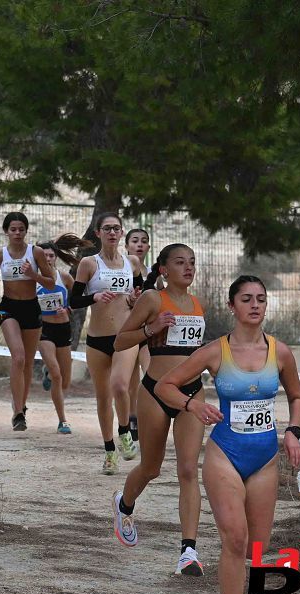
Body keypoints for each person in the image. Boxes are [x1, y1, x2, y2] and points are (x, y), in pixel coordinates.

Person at [152, 275, 300, 594]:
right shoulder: (215, 351)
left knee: (257, 545)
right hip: (225, 455)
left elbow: (297, 396)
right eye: (247, 299)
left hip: (265, 458)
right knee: (234, 539)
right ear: (233, 306)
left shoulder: (280, 352)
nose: (255, 305)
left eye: (261, 299)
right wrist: (192, 405)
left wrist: (293, 430)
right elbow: (164, 385)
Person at [110, 244, 207, 575]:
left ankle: (188, 552)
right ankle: (124, 505)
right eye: (180, 262)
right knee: (151, 468)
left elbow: (196, 353)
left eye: (192, 262)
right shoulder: (153, 299)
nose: (188, 267)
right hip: (154, 391)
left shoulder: (197, 305)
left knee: (189, 471)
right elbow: (120, 341)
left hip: (192, 392)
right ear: (164, 269)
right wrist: (151, 329)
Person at [69, 212, 144, 473]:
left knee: (121, 386)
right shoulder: (89, 264)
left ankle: (125, 431)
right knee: (103, 398)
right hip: (97, 339)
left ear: (122, 233)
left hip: (125, 336)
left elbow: (140, 296)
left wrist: (136, 300)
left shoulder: (131, 262)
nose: (112, 233)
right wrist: (95, 296)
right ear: (98, 233)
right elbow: (74, 301)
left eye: (116, 228)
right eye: (107, 228)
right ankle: (110, 451)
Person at [0, 212, 58, 431]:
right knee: (18, 357)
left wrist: (33, 275)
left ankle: (21, 406)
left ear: (26, 231)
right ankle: (17, 412)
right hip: (9, 308)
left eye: (21, 229)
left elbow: (51, 283)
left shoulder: (35, 253)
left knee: (26, 362)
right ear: (6, 231)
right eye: (13, 229)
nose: (17, 233)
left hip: (31, 308)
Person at [35, 234, 88, 434]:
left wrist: (67, 310)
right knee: (57, 375)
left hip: (63, 329)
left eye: (51, 256)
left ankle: (47, 372)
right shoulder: (33, 280)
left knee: (65, 380)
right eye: (44, 256)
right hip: (44, 330)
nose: (47, 259)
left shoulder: (64, 278)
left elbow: (76, 300)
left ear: (55, 257)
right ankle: (62, 421)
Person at [124, 227, 152, 445]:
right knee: (130, 380)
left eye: (144, 241)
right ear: (126, 246)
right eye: (135, 241)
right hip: (125, 332)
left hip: (148, 332)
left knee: (150, 375)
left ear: (149, 247)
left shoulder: (153, 273)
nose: (139, 244)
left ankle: (146, 418)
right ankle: (131, 419)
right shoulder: (121, 269)